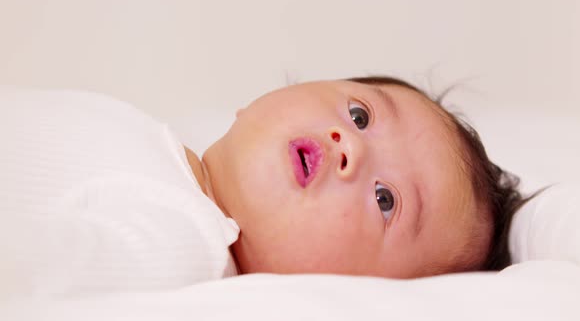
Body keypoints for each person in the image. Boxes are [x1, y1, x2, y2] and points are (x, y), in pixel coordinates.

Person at [0, 76, 526, 296]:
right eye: (360, 113)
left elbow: (42, 263)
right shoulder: (147, 135)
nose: (352, 147)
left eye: (385, 200)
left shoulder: (186, 244)